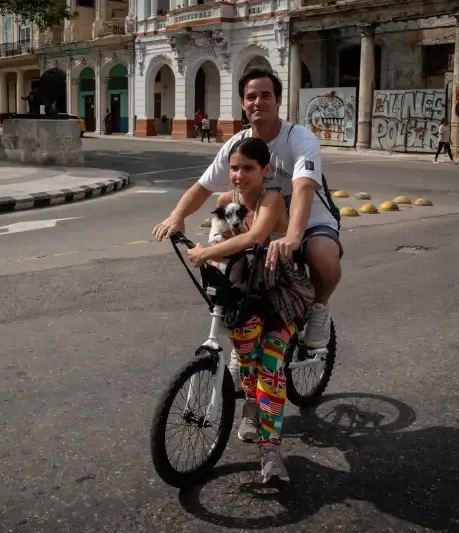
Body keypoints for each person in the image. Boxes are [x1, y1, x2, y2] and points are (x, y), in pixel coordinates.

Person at [152, 67, 343, 385]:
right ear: (242, 103)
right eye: (251, 96)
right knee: (232, 286)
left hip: (306, 220)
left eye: (266, 95)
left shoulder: (299, 138)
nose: (258, 102)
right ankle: (242, 349)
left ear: (279, 100)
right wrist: (176, 215)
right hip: (262, 222)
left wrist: (294, 237)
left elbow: (304, 188)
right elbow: (203, 187)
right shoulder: (237, 144)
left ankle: (319, 310)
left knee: (322, 257)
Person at [185, 137, 293, 483]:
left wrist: (204, 253)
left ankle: (271, 452)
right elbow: (219, 242)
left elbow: (254, 238)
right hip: (242, 294)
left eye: (248, 168)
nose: (239, 175)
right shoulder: (224, 202)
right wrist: (178, 224)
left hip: (279, 294)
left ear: (266, 170)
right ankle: (249, 405)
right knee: (247, 361)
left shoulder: (272, 199)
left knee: (271, 365)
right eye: (234, 168)